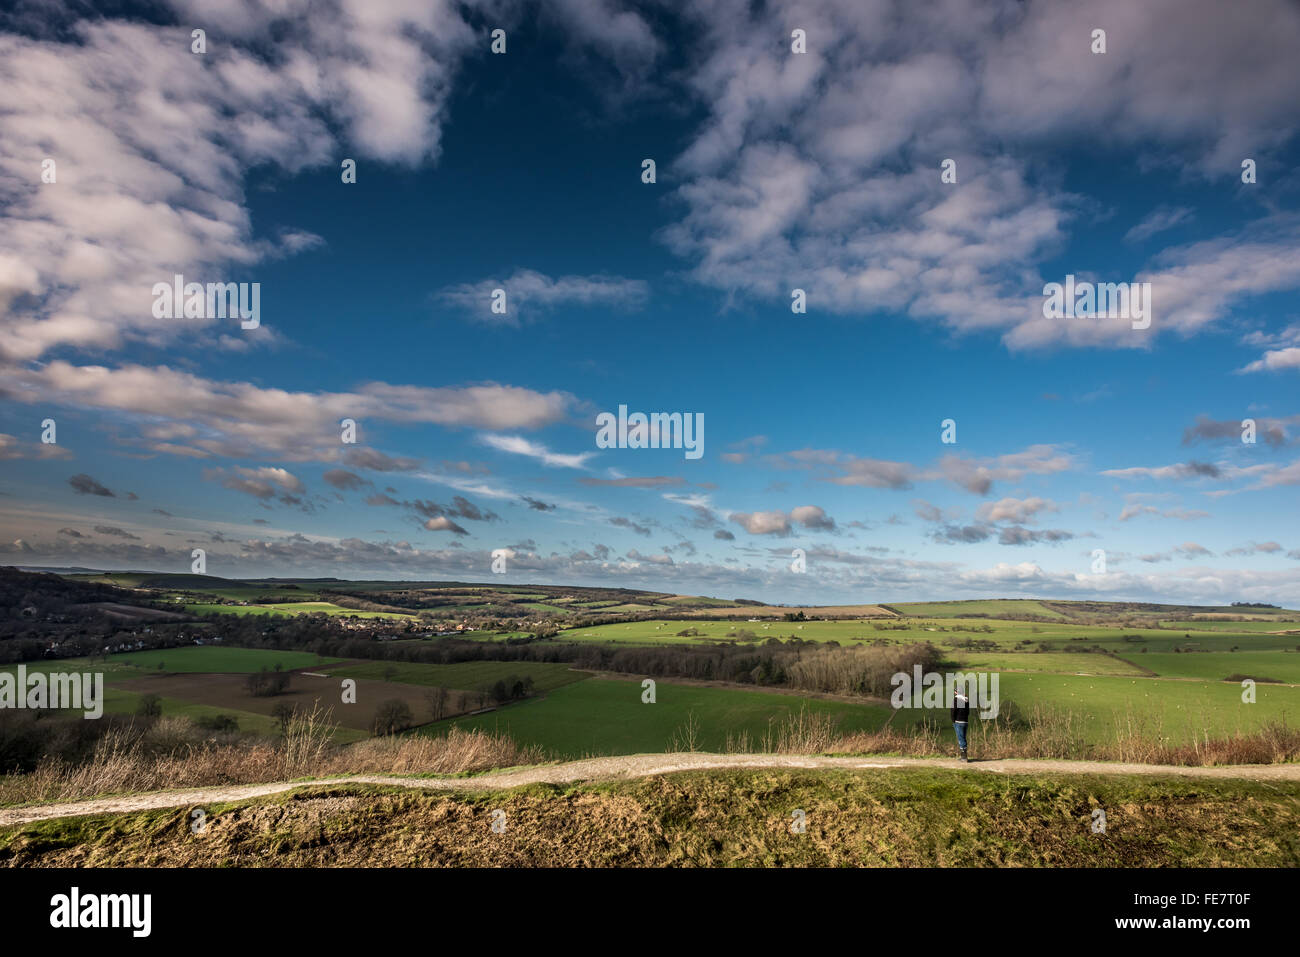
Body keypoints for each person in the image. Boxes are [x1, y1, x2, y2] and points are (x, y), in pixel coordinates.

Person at [951, 686, 971, 762]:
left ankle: (964, 758)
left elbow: (953, 711)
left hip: (958, 722)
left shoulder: (956, 699)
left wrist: (953, 720)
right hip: (965, 721)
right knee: (963, 738)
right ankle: (964, 756)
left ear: (956, 692)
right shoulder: (966, 700)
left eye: (955, 691)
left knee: (961, 739)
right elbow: (968, 712)